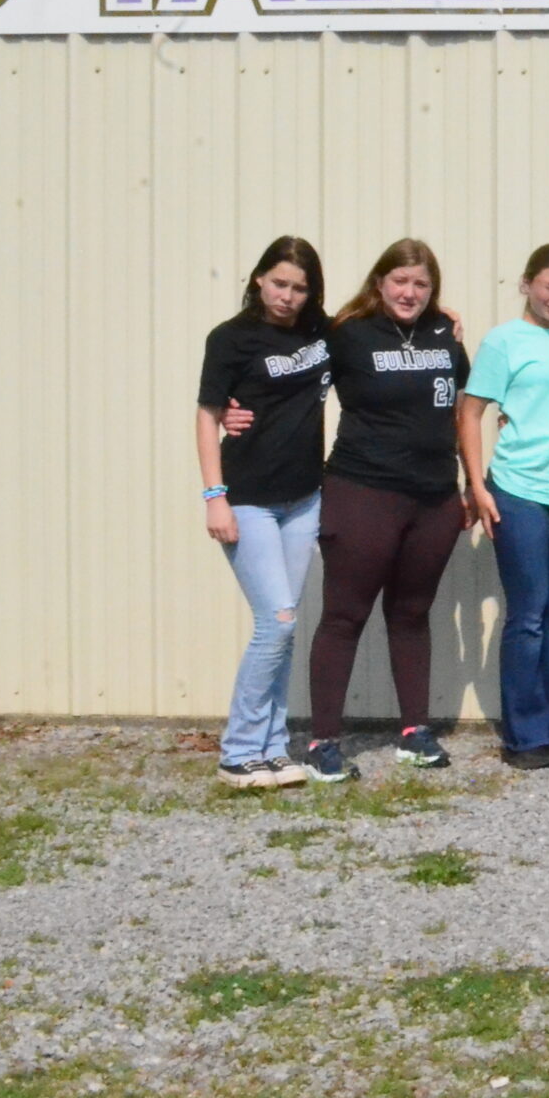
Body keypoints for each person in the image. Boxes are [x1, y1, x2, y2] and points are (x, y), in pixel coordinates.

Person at [306, 239, 470, 781]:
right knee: (344, 615)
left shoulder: (444, 333)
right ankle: (323, 741)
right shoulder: (348, 333)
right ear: (380, 282)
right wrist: (240, 411)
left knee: (411, 614)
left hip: (435, 498)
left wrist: (469, 484)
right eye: (400, 280)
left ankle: (414, 732)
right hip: (364, 492)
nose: (409, 292)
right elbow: (289, 378)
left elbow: (464, 407)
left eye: (421, 284)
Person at [196, 237, 333, 789]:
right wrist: (215, 496)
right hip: (248, 499)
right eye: (279, 283)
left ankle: (272, 748)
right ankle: (237, 752)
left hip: (303, 499)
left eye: (299, 288)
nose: (287, 296)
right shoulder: (230, 338)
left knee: (286, 627)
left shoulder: (320, 330)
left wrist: (443, 316)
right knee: (275, 622)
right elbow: (208, 416)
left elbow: (375, 322)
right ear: (258, 279)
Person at [458, 245, 549, 770]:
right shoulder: (504, 341)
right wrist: (477, 485)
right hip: (519, 491)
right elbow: (471, 412)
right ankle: (523, 736)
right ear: (526, 285)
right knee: (529, 614)